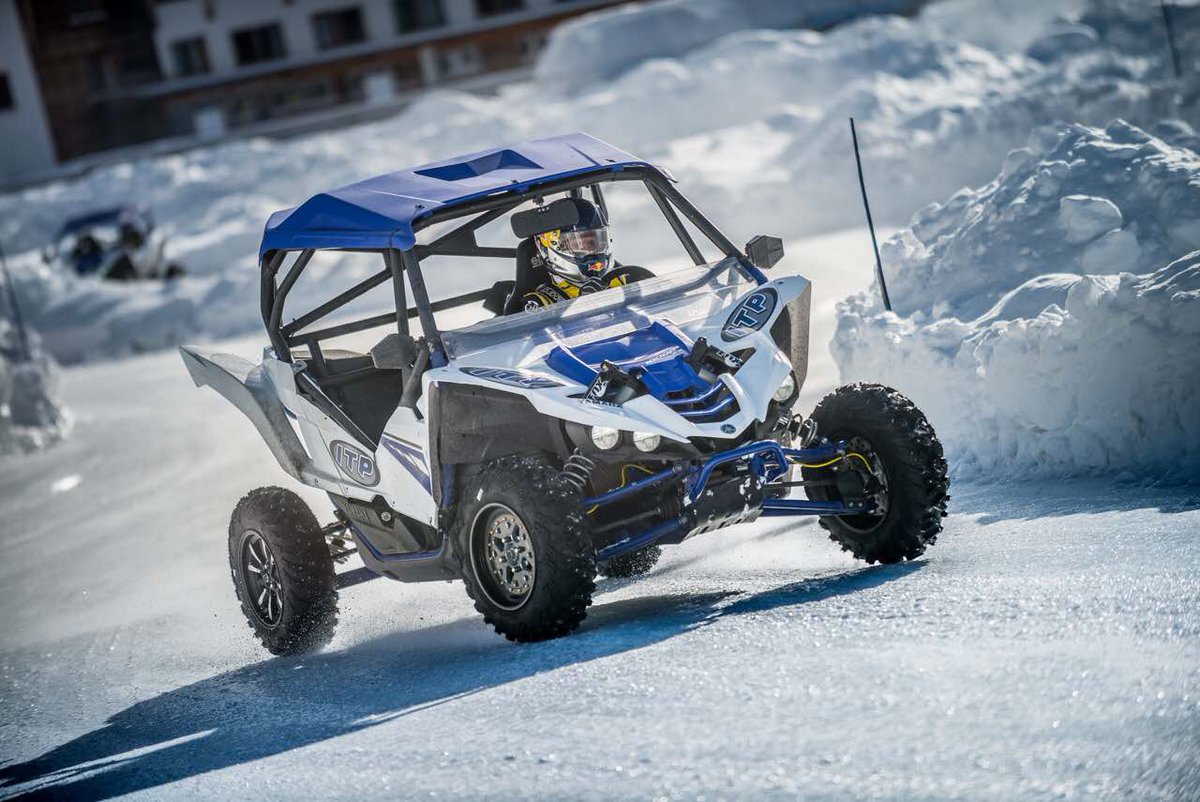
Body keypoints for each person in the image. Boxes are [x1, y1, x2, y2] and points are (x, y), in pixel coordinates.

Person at [505, 198, 651, 314]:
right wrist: (582, 307)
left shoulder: (629, 279)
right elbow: (538, 341)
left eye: (594, 242)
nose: (591, 250)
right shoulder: (539, 303)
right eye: (578, 244)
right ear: (550, 248)